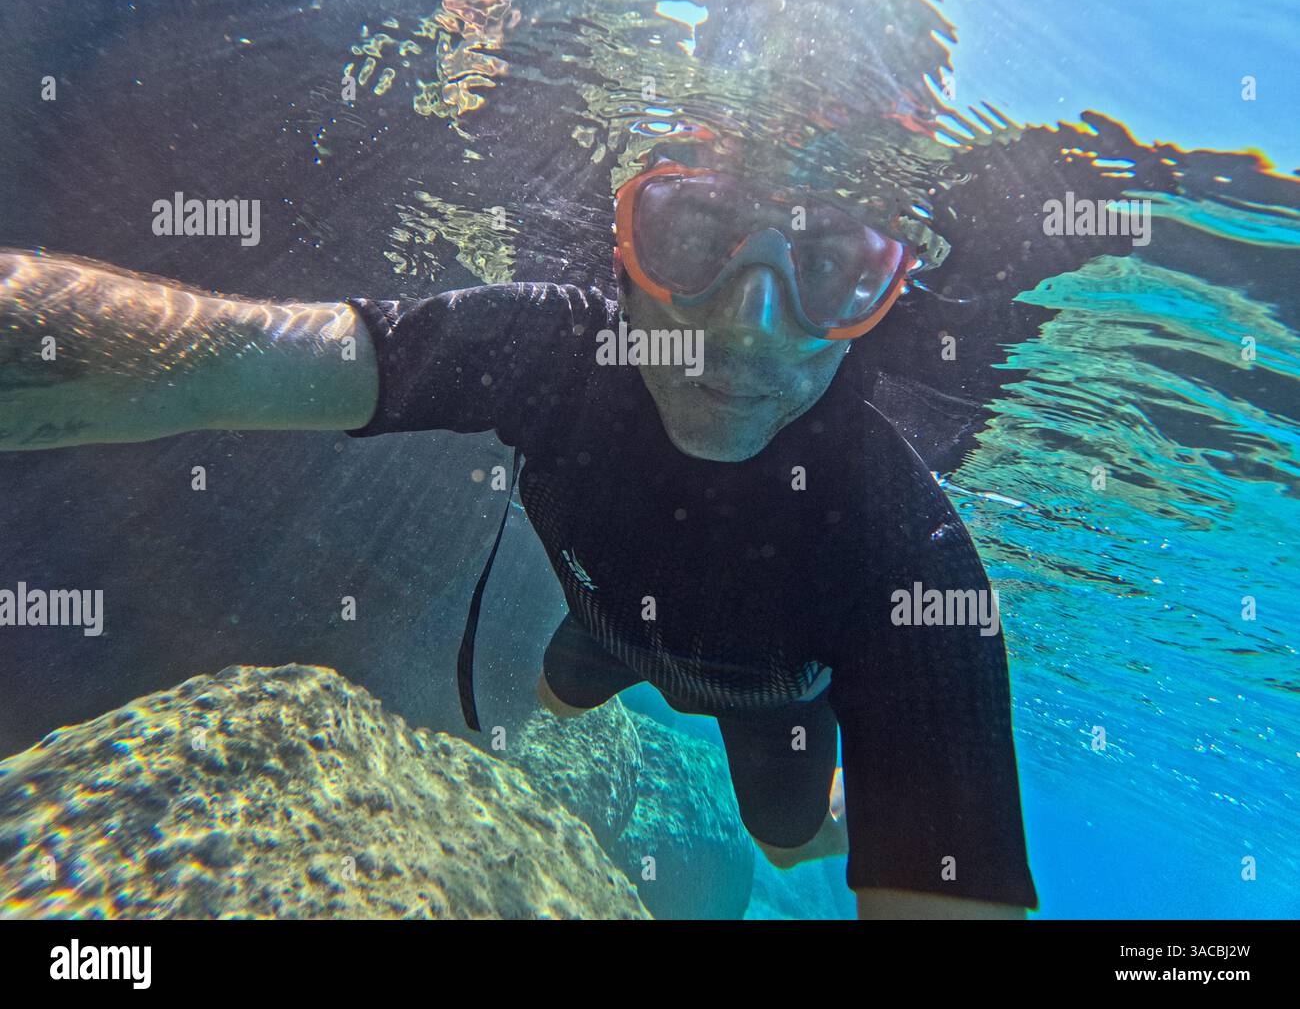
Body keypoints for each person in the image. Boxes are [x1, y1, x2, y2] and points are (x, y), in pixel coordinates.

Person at [0, 147, 1038, 921]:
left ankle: (844, 811)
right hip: (600, 626)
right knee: (552, 694)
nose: (747, 324)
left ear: (886, 291)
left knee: (782, 838)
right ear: (625, 252)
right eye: (691, 236)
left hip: (763, 698)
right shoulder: (547, 348)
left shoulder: (910, 560)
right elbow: (233, 354)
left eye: (829, 267)